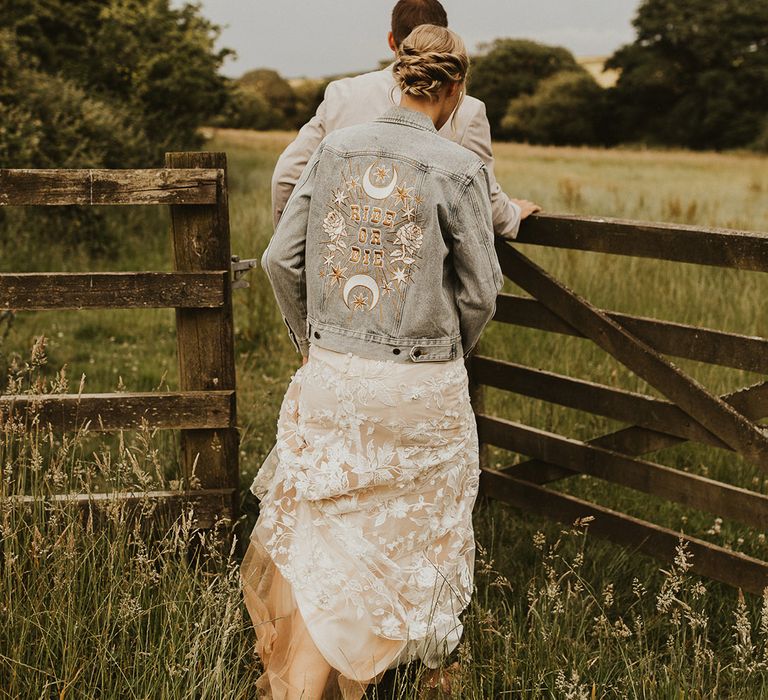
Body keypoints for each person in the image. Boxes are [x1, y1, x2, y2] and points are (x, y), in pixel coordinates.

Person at [241, 24, 503, 700]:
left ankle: (302, 692)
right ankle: (382, 677)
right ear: (454, 88)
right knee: (410, 546)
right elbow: (481, 291)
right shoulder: (459, 166)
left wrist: (312, 339)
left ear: (399, 77)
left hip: (332, 374)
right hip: (422, 387)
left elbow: (279, 259)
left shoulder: (334, 150)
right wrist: (450, 356)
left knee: (328, 544)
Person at [271, 0, 541, 237]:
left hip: (341, 270)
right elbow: (483, 204)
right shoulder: (467, 110)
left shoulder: (342, 93)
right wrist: (513, 214)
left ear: (392, 41)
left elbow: (286, 176)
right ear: (443, 38)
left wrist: (300, 248)